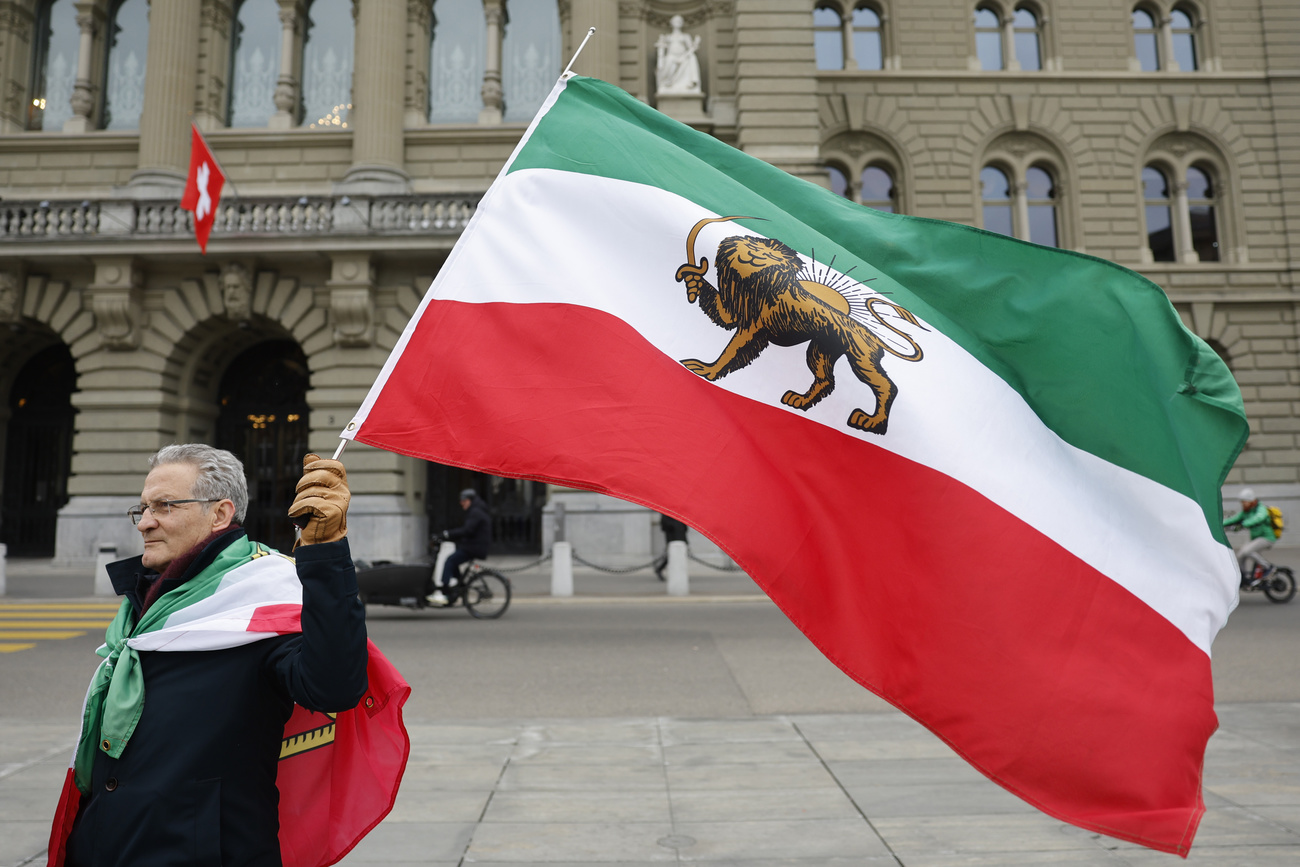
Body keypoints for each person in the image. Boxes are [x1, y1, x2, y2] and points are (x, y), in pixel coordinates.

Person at [57, 444, 369, 866]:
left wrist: (325, 553)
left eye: (164, 506)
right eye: (143, 508)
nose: (145, 523)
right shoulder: (144, 600)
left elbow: (333, 686)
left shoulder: (260, 597)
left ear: (219, 514)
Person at [430, 487, 492, 605]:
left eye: (463, 501)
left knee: (449, 561)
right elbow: (468, 531)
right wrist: (449, 536)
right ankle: (459, 588)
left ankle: (444, 593)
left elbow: (467, 530)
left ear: (470, 500)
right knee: (454, 562)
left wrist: (447, 534)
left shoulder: (476, 512)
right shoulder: (476, 510)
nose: (461, 503)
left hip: (475, 547)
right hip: (474, 545)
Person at [1223, 487, 1279, 582]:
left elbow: (1258, 518)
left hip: (1266, 538)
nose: (1242, 504)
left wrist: (1243, 524)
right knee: (1240, 555)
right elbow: (1234, 519)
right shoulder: (1247, 511)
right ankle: (1242, 577)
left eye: (1244, 502)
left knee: (1247, 551)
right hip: (1256, 539)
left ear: (1251, 501)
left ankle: (1269, 568)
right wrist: (1219, 524)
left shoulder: (1261, 509)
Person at [653, 513, 689, 581]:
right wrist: (674, 526)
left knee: (680, 556)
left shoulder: (680, 511)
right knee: (671, 556)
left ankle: (679, 574)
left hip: (681, 535)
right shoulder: (666, 512)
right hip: (672, 536)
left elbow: (684, 525)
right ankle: (660, 568)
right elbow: (664, 525)